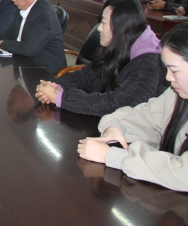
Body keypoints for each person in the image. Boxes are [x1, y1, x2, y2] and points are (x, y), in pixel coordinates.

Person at [77, 23, 188, 192]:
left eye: (174, 71)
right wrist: (115, 127)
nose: (168, 77)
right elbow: (144, 116)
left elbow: (183, 173)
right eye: (166, 69)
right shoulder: (176, 95)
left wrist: (114, 157)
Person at [35, 0, 168, 116]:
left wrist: (62, 98)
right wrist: (58, 87)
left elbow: (120, 103)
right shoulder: (120, 44)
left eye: (103, 23)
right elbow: (87, 76)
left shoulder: (149, 62)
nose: (99, 28)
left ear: (120, 26)